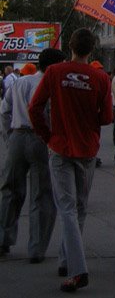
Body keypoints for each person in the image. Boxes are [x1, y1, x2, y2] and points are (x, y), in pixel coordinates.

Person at [28, 28, 113, 293]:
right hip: (87, 150)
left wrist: (47, 136)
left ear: (71, 47)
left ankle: (76, 268)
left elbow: (35, 108)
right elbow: (107, 117)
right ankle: (67, 260)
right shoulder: (101, 78)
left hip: (61, 148)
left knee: (66, 208)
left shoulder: (54, 73)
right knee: (79, 208)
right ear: (92, 50)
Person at [0, 48, 65, 262]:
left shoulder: (20, 82)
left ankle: (3, 240)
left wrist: (9, 135)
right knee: (42, 193)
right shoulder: (53, 86)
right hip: (40, 139)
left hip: (17, 136)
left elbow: (5, 110)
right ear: (54, 66)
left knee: (9, 190)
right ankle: (36, 249)